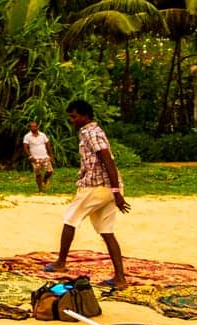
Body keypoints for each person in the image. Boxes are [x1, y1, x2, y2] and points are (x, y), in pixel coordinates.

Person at [45, 99, 131, 288]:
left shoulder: (91, 133)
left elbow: (108, 160)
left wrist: (116, 191)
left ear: (85, 116)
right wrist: (116, 191)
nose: (72, 120)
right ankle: (120, 278)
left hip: (97, 186)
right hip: (108, 188)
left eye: (74, 116)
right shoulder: (92, 132)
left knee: (70, 219)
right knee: (107, 231)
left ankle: (60, 263)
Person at [22, 121, 54, 193]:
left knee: (50, 171)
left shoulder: (42, 135)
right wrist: (30, 156)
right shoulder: (27, 136)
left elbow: (48, 145)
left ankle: (45, 180)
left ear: (37, 127)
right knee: (38, 173)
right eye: (31, 126)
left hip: (45, 156)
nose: (33, 128)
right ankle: (40, 190)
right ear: (30, 128)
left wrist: (51, 155)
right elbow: (25, 147)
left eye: (34, 126)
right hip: (35, 158)